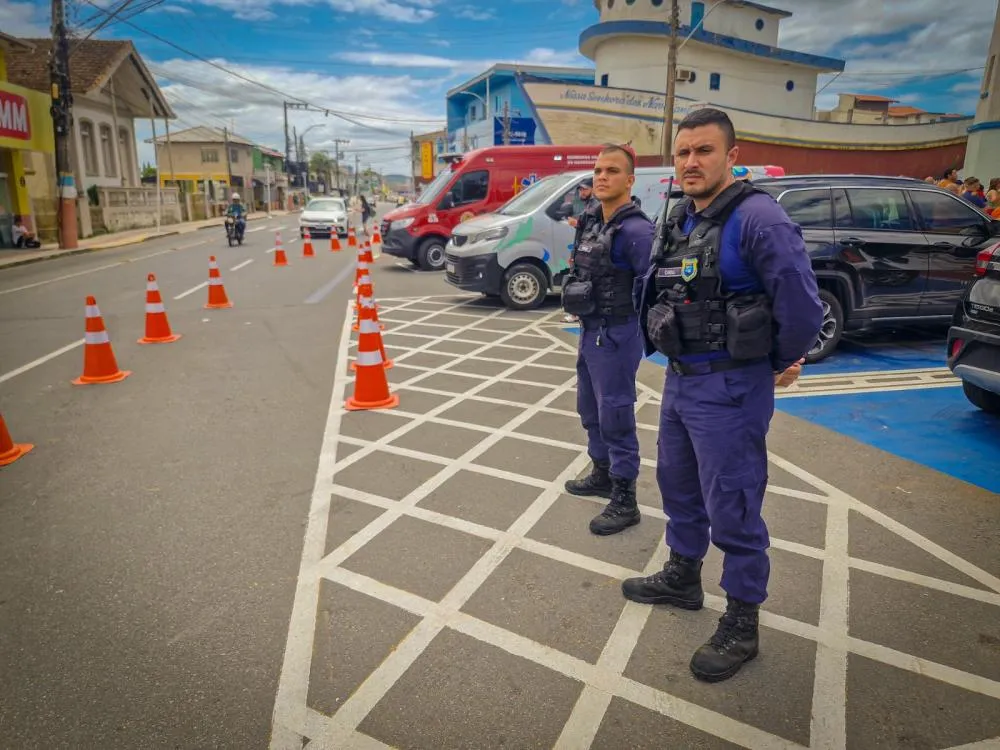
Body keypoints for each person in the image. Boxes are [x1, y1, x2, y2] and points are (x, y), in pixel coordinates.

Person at [627, 108, 823, 682]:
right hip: (682, 378)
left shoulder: (760, 219)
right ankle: (684, 577)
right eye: (683, 151)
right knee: (679, 486)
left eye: (704, 151)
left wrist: (774, 361)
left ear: (732, 157)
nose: (691, 161)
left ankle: (742, 620)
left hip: (732, 385)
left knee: (734, 502)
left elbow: (804, 309)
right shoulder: (682, 217)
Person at [561, 144, 655, 536]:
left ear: (630, 180)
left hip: (617, 333)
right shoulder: (593, 221)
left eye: (612, 171)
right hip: (590, 330)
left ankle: (625, 498)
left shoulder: (637, 230)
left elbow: (653, 290)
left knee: (615, 414)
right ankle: (601, 472)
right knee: (590, 409)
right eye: (598, 170)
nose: (602, 177)